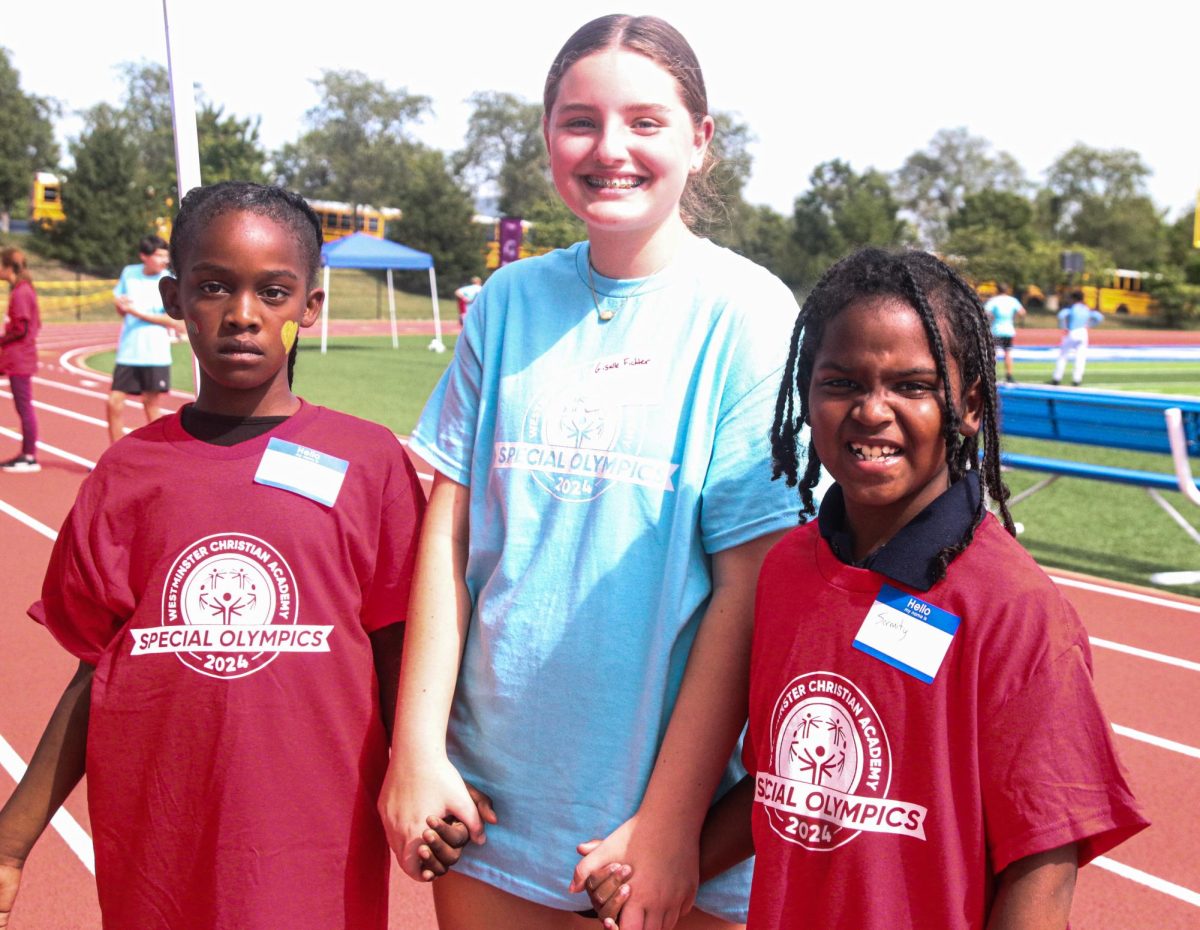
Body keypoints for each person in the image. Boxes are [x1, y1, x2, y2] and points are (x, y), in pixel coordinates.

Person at [378, 14, 802, 930]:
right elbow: (450, 533)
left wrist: (673, 824)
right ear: (547, 137)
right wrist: (415, 748)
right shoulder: (508, 302)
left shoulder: (750, 316)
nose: (610, 148)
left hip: (648, 832)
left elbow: (748, 587)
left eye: (645, 122)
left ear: (700, 140)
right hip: (487, 812)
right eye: (580, 121)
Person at [584, 248, 1149, 930]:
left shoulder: (1013, 609)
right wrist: (657, 869)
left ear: (969, 406)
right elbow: (783, 787)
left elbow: (1042, 862)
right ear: (807, 393)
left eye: (912, 386)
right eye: (842, 382)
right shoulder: (790, 570)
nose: (871, 410)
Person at [0, 182, 451, 929]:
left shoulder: (368, 462)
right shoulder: (125, 475)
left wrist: (429, 773)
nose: (243, 314)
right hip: (159, 848)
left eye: (273, 292)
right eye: (213, 287)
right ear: (174, 298)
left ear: (310, 305)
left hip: (315, 846)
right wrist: (13, 843)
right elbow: (96, 672)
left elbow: (403, 648)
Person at [108, 234, 180, 443]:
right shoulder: (129, 273)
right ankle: (114, 452)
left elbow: (173, 321)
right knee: (114, 402)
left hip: (154, 353)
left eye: (166, 256)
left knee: (151, 407)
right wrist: (121, 306)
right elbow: (122, 310)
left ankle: (155, 456)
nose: (164, 261)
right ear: (144, 256)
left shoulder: (168, 280)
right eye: (158, 256)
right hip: (128, 352)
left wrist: (137, 312)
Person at [0, 247, 40, 472]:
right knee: (22, 406)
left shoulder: (22, 292)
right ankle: (27, 454)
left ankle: (29, 456)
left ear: (8, 267)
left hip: (19, 358)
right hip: (13, 356)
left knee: (24, 407)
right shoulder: (19, 289)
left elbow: (22, 328)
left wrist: (2, 339)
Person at [1052, 289, 1103, 386]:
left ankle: (1057, 378)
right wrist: (1090, 325)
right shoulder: (1086, 309)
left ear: (1073, 298)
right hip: (1083, 333)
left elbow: (1061, 315)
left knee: (1063, 355)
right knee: (1081, 357)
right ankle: (1077, 379)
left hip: (1072, 332)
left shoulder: (1072, 308)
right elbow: (1099, 316)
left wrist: (1064, 327)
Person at [983, 283, 1025, 383]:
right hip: (1008, 329)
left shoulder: (994, 300)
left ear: (997, 290)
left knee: (994, 353)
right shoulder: (1012, 300)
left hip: (996, 329)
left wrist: (992, 318)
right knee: (1008, 353)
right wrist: (1013, 317)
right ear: (1007, 290)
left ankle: (991, 375)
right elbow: (1022, 312)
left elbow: (985, 312)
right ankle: (1009, 375)